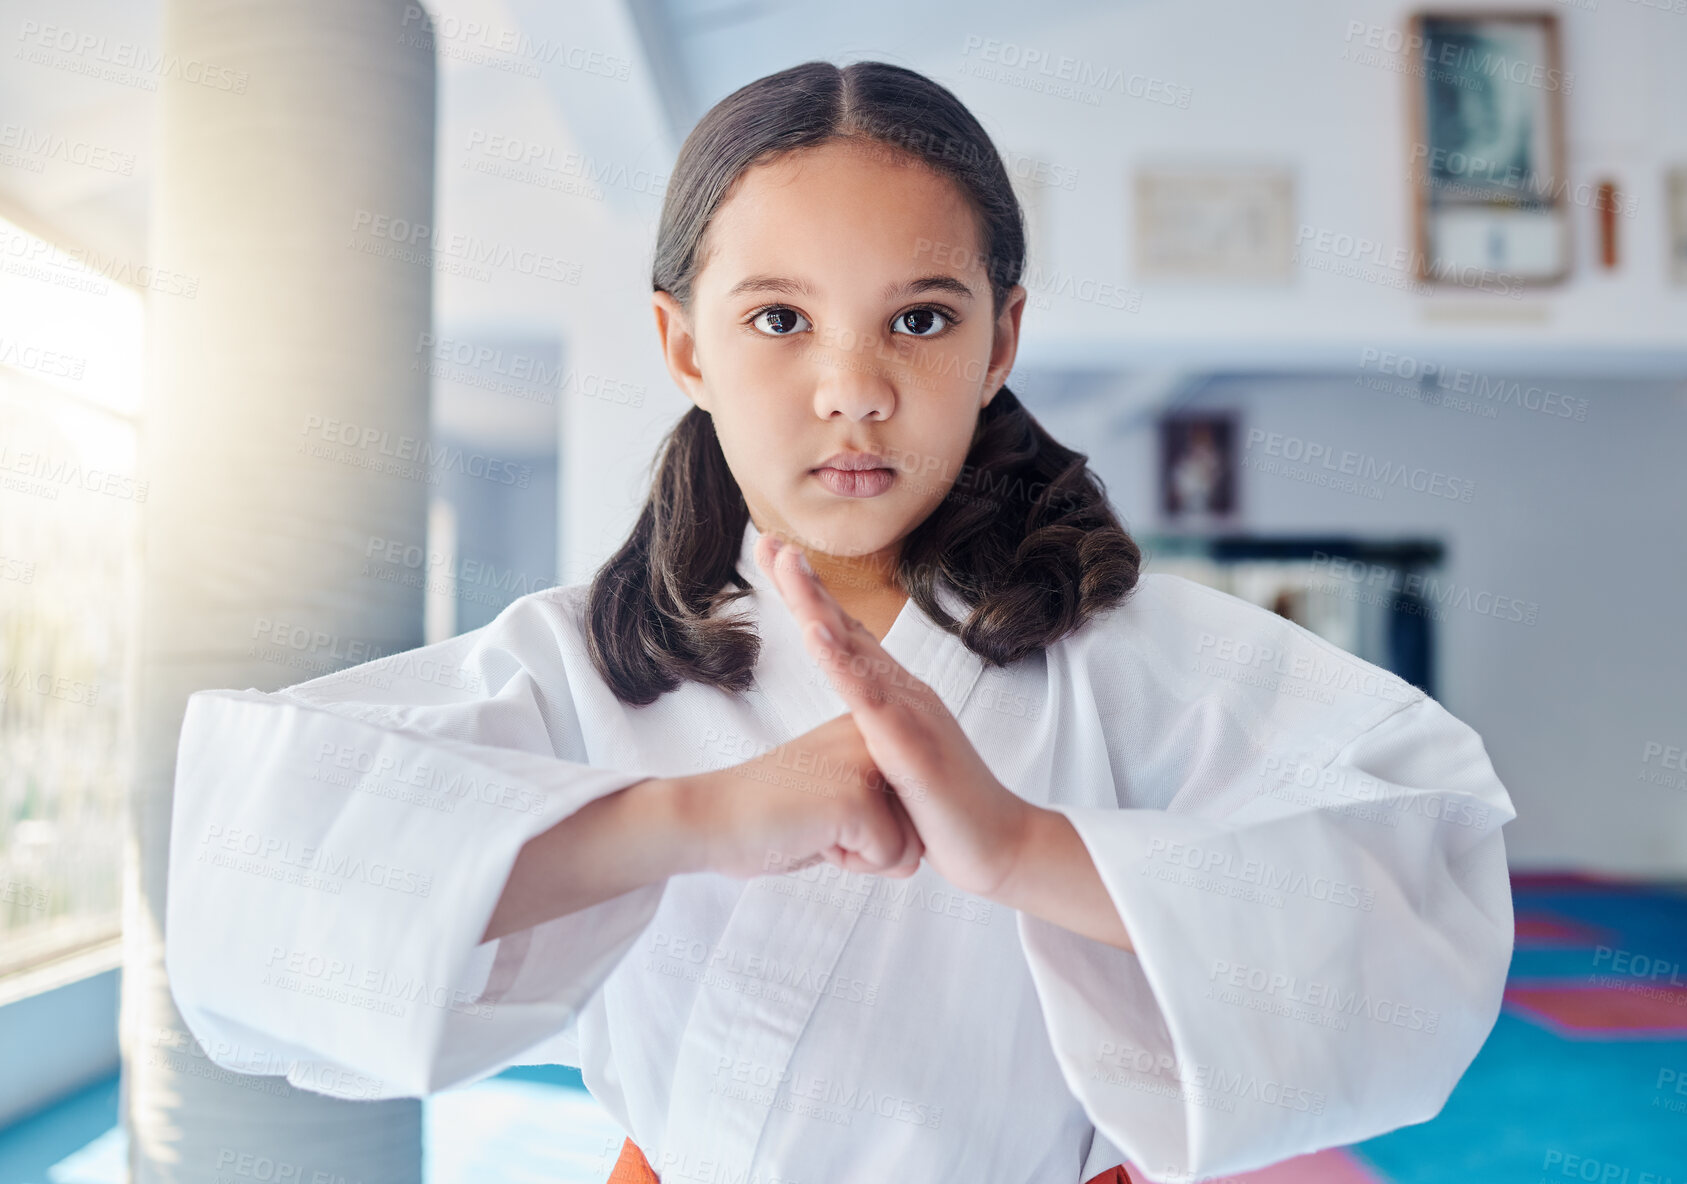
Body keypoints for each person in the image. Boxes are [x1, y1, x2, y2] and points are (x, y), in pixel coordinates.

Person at [165, 60, 1517, 1184]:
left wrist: (1026, 847)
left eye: (920, 319)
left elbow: (1422, 885)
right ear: (684, 343)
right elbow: (258, 870)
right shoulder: (592, 658)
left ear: (1000, 342)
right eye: (779, 319)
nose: (854, 388)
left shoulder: (1137, 653)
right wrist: (704, 816)